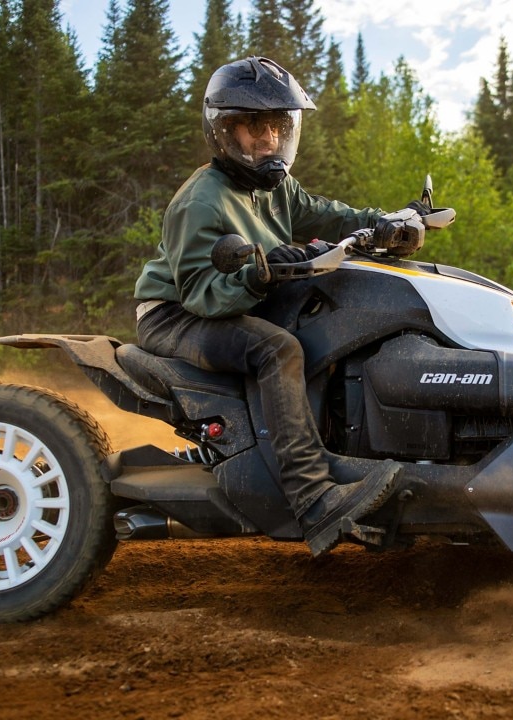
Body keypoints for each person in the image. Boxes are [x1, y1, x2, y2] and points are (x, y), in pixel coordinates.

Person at [132, 56, 422, 556]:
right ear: (223, 131)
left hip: (234, 294)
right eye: (253, 127)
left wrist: (388, 220)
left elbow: (328, 215)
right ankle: (313, 499)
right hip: (176, 313)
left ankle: (339, 454)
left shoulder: (275, 187)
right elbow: (203, 291)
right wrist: (260, 273)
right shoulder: (201, 201)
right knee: (277, 350)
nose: (268, 138)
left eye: (277, 125)